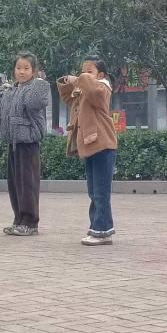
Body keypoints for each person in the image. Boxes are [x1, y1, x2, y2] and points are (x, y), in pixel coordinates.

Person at [57, 55, 118, 246]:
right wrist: (66, 82)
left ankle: (102, 231)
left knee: (101, 192)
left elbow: (94, 92)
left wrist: (80, 79)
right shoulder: (85, 90)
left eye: (89, 72)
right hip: (90, 146)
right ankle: (97, 228)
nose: (83, 75)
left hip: (103, 145)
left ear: (100, 75)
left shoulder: (103, 88)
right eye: (82, 71)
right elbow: (68, 99)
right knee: (93, 191)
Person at [0, 51, 50, 236]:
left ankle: (30, 222)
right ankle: (18, 219)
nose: (22, 71)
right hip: (13, 142)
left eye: (26, 68)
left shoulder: (36, 88)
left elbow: (34, 103)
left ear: (34, 70)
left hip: (28, 143)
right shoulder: (11, 89)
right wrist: (0, 89)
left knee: (28, 184)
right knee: (15, 184)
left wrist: (40, 82)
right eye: (18, 68)